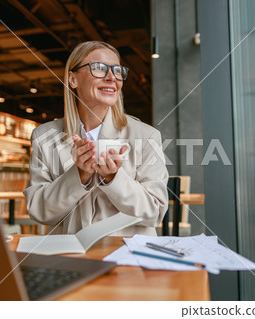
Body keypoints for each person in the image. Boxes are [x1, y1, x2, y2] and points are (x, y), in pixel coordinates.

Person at [24, 41, 169, 236]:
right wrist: (78, 176)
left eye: (117, 71)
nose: (112, 77)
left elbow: (155, 212)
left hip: (125, 254)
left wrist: (113, 178)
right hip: (71, 254)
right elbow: (38, 211)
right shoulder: (44, 136)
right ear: (73, 80)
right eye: (99, 68)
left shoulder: (147, 136)